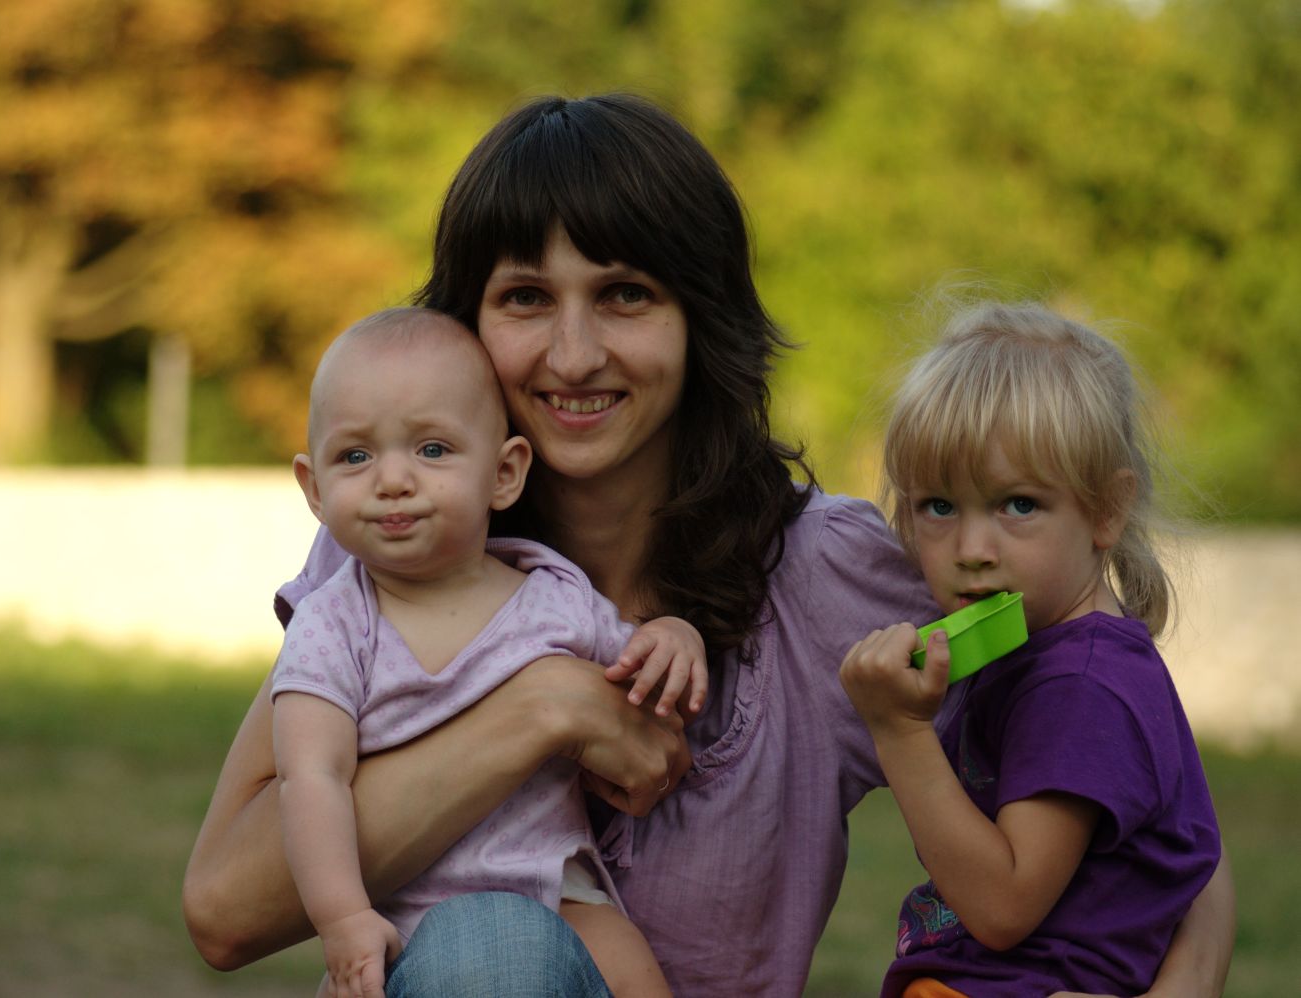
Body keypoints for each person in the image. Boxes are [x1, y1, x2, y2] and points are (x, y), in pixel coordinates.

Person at [183, 93, 1235, 996]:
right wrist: (548, 707)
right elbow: (224, 910)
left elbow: (1137, 780)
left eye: (625, 294)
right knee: (486, 944)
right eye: (526, 298)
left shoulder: (827, 576)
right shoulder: (396, 553)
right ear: (467, 325)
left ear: (700, 318)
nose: (573, 354)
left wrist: (1180, 983)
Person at [272, 306, 700, 997]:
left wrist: (675, 636)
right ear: (315, 490)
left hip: (557, 890)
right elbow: (310, 778)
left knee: (634, 974)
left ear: (504, 473)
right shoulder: (332, 626)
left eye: (432, 450)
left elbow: (639, 687)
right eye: (355, 456)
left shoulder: (552, 597)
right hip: (395, 911)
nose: (392, 480)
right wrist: (343, 917)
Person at [840, 302, 1222, 998]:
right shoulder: (1053, 653)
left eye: (1017, 505)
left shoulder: (1079, 685)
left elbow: (1002, 908)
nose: (972, 549)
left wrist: (899, 732)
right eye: (938, 506)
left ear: (1107, 510)